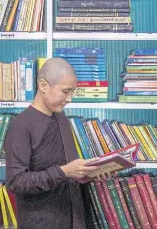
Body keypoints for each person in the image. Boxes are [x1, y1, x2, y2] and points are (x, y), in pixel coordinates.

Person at [4, 58, 100, 229]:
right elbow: (16, 182)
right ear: (43, 86)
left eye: (73, 93)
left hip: (75, 219)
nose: (70, 99)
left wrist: (94, 173)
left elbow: (70, 172)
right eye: (65, 92)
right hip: (42, 222)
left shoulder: (61, 118)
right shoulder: (20, 125)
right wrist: (64, 172)